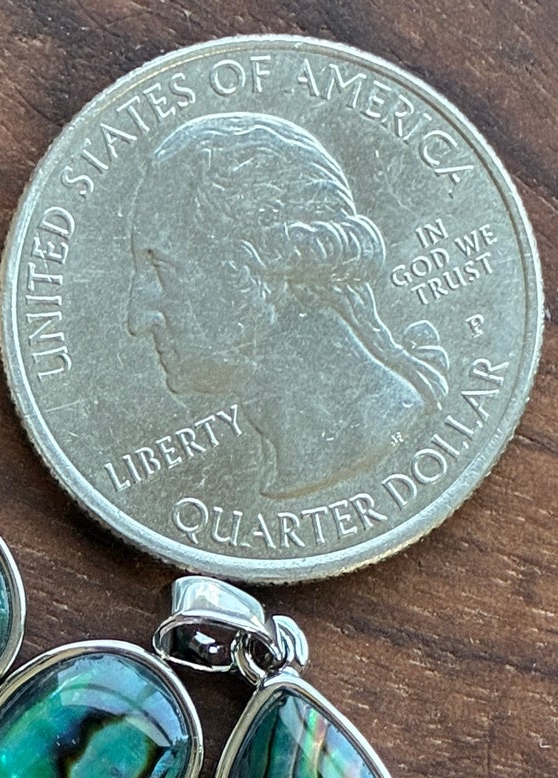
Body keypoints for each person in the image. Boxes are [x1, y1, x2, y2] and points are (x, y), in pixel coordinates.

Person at [127, 113, 449, 499]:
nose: (137, 319)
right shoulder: (315, 454)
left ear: (262, 263)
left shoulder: (367, 432)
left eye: (160, 269)